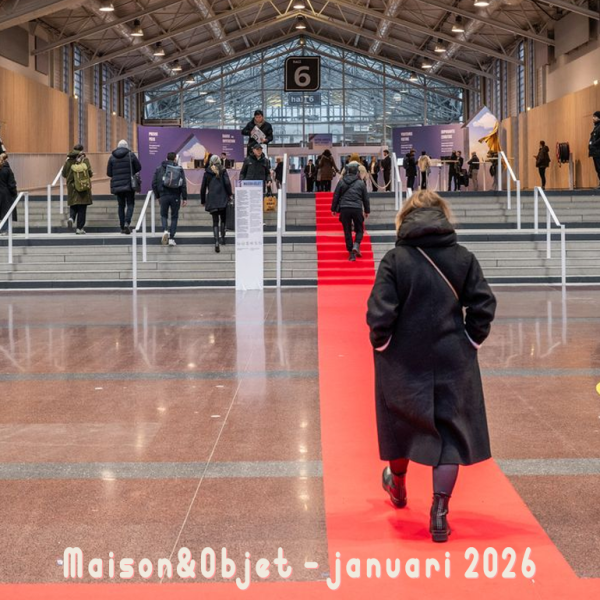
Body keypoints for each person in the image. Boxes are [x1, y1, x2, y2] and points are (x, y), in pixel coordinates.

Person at [366, 190, 497, 543]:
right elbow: (483, 305)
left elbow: (379, 314)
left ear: (405, 218)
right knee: (450, 432)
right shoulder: (463, 257)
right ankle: (439, 513)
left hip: (404, 359)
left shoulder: (395, 260)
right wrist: (470, 340)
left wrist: (383, 345)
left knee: (401, 425)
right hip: (453, 357)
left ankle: (398, 487)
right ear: (443, 216)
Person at [331, 163, 370, 261]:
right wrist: (367, 210)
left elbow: (336, 196)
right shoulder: (361, 183)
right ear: (357, 172)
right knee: (360, 230)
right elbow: (365, 198)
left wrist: (333, 209)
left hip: (344, 208)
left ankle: (351, 253)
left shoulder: (341, 182)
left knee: (347, 230)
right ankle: (356, 245)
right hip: (357, 208)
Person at [152, 151, 188, 246]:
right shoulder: (179, 169)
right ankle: (171, 238)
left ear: (166, 158)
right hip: (175, 196)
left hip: (163, 195)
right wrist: (184, 198)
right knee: (174, 216)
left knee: (164, 215)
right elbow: (183, 184)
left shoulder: (159, 168)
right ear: (175, 159)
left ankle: (165, 231)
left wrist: (158, 196)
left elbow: (154, 183)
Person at [106, 139, 142, 234]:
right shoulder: (131, 155)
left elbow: (109, 173)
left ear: (118, 146)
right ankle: (127, 222)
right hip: (129, 184)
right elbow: (139, 167)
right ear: (126, 146)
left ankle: (122, 227)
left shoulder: (112, 157)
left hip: (117, 185)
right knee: (130, 203)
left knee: (121, 205)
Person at [201, 155, 232, 254]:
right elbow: (227, 183)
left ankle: (216, 242)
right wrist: (230, 194)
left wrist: (203, 200)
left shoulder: (207, 172)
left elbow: (203, 188)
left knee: (215, 222)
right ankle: (223, 238)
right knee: (223, 219)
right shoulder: (223, 170)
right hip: (223, 198)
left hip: (212, 199)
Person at [62, 144, 93, 234]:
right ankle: (79, 228)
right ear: (82, 150)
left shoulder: (68, 161)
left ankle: (71, 218)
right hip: (82, 186)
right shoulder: (85, 160)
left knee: (74, 204)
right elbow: (89, 173)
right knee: (82, 208)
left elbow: (64, 174)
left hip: (72, 187)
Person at [0, 153, 18, 236]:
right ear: (6, 159)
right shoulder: (7, 170)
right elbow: (11, 184)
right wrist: (14, 193)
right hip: (5, 194)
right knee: (6, 212)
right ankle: (4, 230)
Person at [589, 111, 600, 189]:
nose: (593, 118)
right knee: (597, 169)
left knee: (599, 168)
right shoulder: (596, 127)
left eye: (595, 117)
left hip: (598, 151)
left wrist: (594, 143)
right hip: (595, 152)